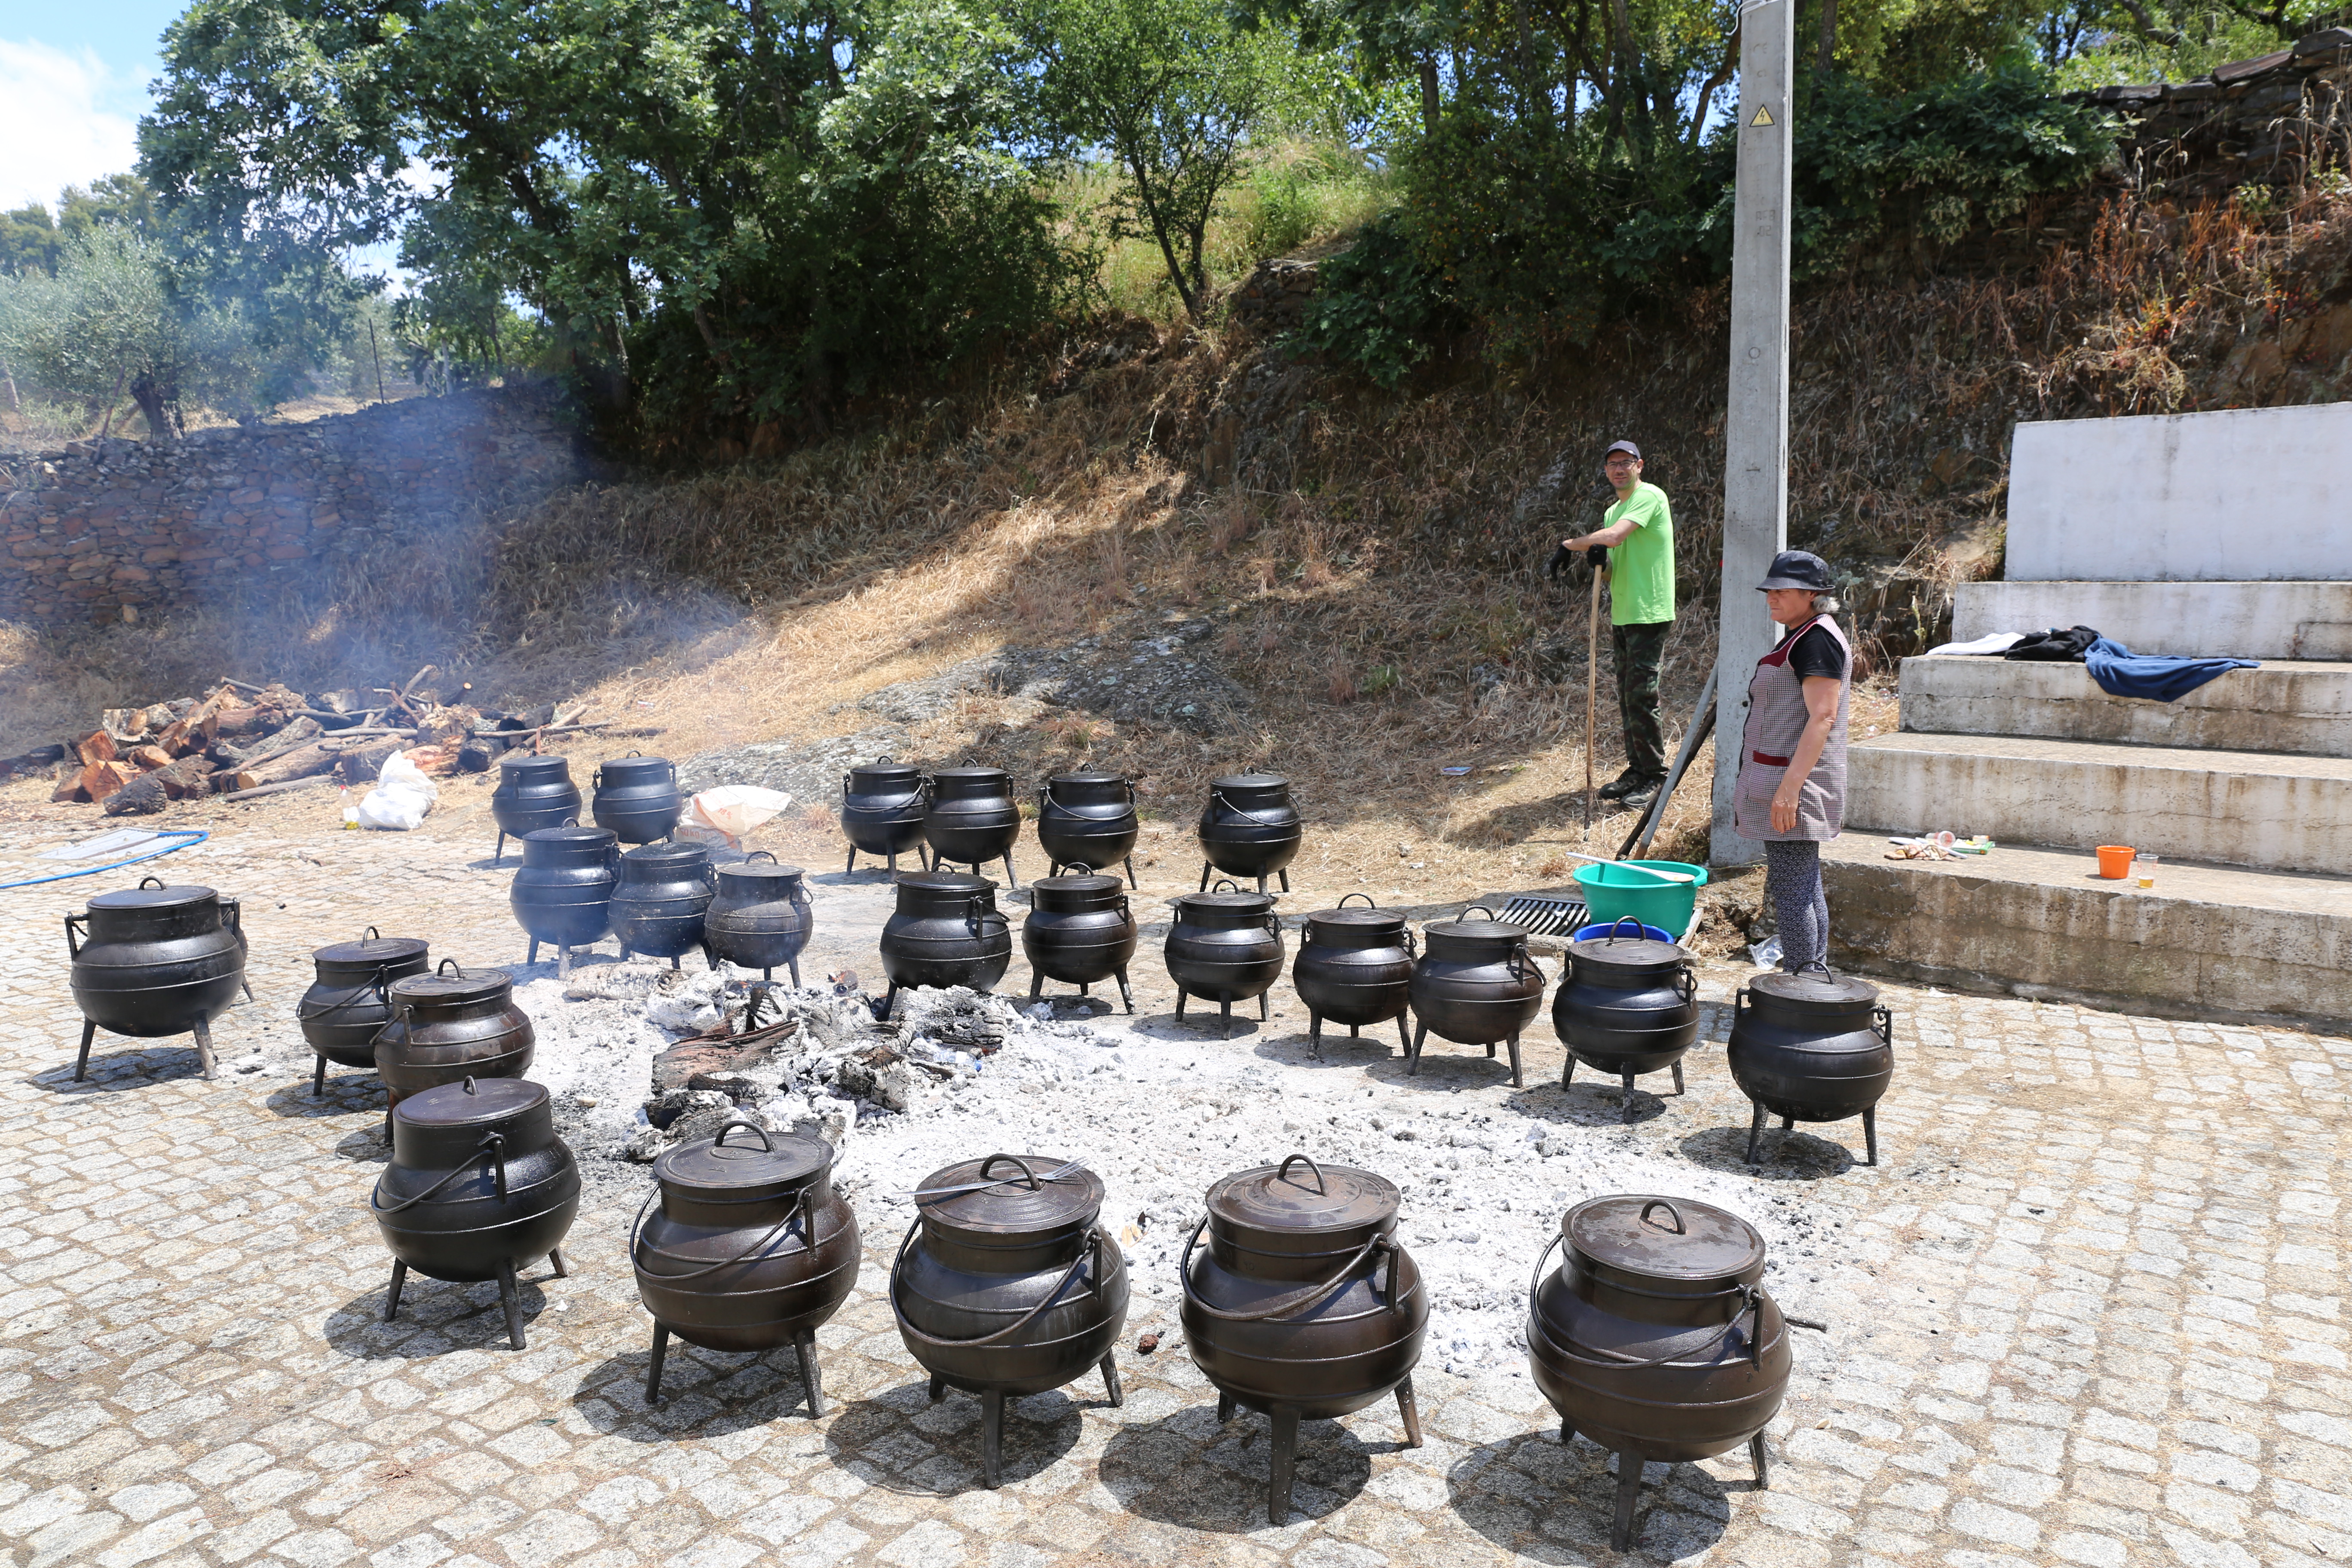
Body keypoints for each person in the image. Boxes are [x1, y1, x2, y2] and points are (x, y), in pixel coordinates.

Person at [1733, 550, 1852, 974]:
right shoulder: (1804, 634)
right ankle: (1811, 977)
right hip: (1789, 780)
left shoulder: (1816, 640)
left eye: (1781, 590)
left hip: (1795, 784)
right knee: (1804, 886)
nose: (1771, 598)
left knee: (1793, 890)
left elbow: (1823, 716)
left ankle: (1801, 984)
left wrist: (1789, 788)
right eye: (1770, 590)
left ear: (1812, 595)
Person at [1558, 440, 1675, 812]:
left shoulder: (1650, 497)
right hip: (1624, 612)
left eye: (1626, 462)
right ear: (1606, 471)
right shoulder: (1613, 511)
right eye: (1613, 465)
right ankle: (1638, 770)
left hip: (1650, 611)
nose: (1619, 469)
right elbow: (1613, 569)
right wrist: (1599, 562)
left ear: (1640, 465)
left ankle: (1656, 776)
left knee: (1642, 694)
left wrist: (1569, 545)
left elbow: (1614, 538)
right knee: (1628, 695)